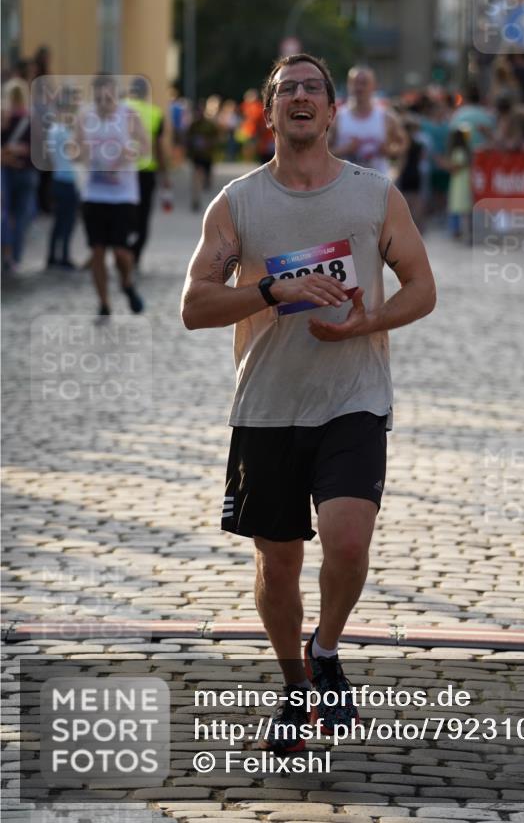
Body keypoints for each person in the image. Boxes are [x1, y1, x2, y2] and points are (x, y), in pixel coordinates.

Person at [181, 52, 436, 753]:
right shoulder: (236, 204)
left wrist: (368, 323)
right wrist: (270, 291)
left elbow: (420, 287)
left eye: (311, 90)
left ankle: (325, 648)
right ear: (269, 111)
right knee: (279, 562)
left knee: (349, 541)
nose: (299, 97)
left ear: (330, 112)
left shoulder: (373, 195)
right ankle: (294, 684)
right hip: (266, 404)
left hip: (353, 394)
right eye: (286, 89)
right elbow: (194, 306)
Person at [74, 74, 148, 318]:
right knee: (97, 251)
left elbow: (144, 145)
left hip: (123, 194)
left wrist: (131, 152)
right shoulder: (85, 116)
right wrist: (81, 152)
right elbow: (74, 151)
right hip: (93, 193)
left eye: (108, 98)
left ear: (116, 95)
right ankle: (104, 303)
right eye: (98, 99)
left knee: (120, 252)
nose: (104, 103)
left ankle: (126, 282)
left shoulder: (128, 115)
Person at [329, 65, 407, 176]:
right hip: (344, 185)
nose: (359, 88)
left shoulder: (386, 117)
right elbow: (323, 151)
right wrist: (344, 150)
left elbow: (403, 144)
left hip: (378, 185)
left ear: (374, 86)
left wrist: (389, 151)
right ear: (348, 85)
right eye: (355, 83)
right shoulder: (337, 117)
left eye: (364, 83)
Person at [126, 77, 170, 268]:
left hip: (123, 171)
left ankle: (123, 248)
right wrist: (165, 174)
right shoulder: (155, 113)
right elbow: (159, 147)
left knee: (125, 212)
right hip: (145, 171)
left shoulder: (120, 109)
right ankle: (135, 255)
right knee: (143, 216)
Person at [1, 83, 37, 273]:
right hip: (26, 172)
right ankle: (15, 256)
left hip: (8, 172)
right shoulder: (31, 120)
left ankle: (7, 256)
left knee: (6, 215)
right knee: (20, 217)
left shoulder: (4, 119)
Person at [45, 86, 79, 269]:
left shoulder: (53, 130)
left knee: (59, 221)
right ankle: (63, 256)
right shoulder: (65, 131)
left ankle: (52, 256)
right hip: (67, 180)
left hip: (57, 178)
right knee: (67, 222)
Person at [186, 101, 220, 211]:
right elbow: (187, 139)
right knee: (197, 178)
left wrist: (208, 143)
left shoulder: (209, 125)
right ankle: (196, 200)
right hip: (197, 156)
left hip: (207, 156)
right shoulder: (193, 125)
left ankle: (207, 186)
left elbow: (217, 138)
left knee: (207, 180)